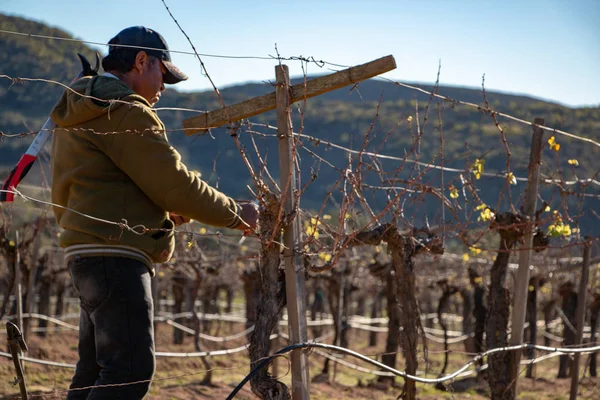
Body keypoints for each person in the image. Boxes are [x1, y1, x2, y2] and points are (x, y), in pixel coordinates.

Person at [50, 26, 258, 399]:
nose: (164, 88)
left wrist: (158, 209)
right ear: (142, 61)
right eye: (163, 74)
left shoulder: (84, 109)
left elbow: (104, 182)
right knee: (129, 373)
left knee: (96, 371)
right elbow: (173, 184)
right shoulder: (125, 109)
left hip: (85, 251)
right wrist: (238, 213)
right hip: (116, 255)